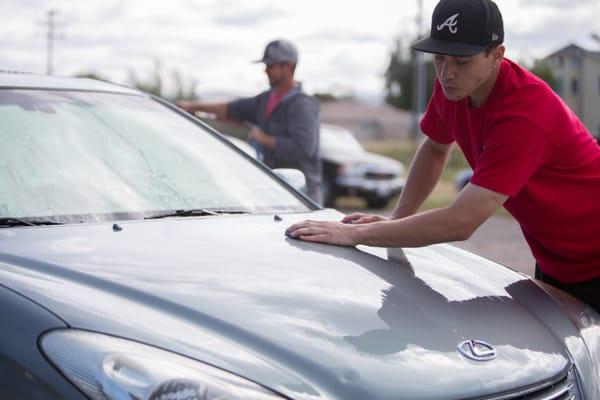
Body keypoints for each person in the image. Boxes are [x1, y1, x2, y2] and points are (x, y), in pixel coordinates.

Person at [286, 0, 600, 312]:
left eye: (461, 61)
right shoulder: (454, 88)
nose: (447, 72)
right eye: (439, 58)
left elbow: (460, 222)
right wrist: (399, 219)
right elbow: (436, 148)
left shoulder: (524, 114)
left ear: (496, 55)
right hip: (556, 260)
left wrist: (356, 234)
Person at [177, 39, 322, 203]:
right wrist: (192, 106)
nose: (265, 70)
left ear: (288, 67)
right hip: (277, 192)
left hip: (302, 196)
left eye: (270, 66)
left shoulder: (303, 105)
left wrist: (264, 139)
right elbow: (233, 108)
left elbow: (303, 148)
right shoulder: (265, 100)